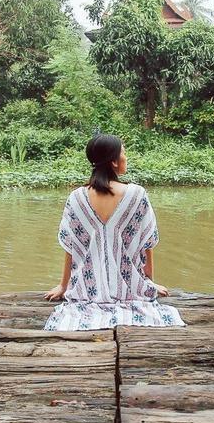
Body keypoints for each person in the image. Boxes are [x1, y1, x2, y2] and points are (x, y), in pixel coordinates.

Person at [42, 134, 184, 331]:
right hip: (131, 290)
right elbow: (147, 243)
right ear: (114, 161)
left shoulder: (76, 198)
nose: (126, 157)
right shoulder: (137, 194)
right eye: (124, 153)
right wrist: (148, 283)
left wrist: (64, 286)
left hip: (85, 291)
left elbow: (71, 246)